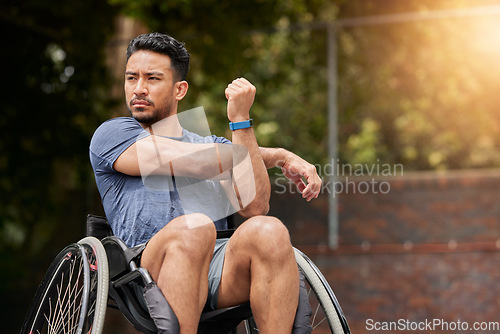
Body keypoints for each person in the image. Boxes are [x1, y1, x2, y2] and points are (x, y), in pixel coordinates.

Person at [90, 32, 322, 334]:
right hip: (146, 271)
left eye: (153, 79)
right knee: (195, 226)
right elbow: (187, 158)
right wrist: (273, 154)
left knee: (270, 230)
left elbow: (255, 205)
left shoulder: (211, 145)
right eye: (131, 78)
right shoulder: (113, 134)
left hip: (218, 270)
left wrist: (241, 120)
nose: (139, 89)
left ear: (179, 89)